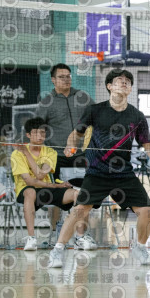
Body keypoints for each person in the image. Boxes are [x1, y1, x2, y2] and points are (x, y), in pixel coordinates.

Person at [48, 69, 150, 268]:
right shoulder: (95, 110)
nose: (124, 83)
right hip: (97, 172)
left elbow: (147, 143)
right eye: (120, 80)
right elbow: (76, 133)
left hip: (124, 173)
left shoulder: (136, 116)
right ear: (109, 86)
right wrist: (71, 145)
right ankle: (58, 250)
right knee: (79, 210)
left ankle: (140, 247)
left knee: (146, 211)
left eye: (128, 81)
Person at [11, 117, 92, 252]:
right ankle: (31, 238)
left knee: (79, 195)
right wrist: (25, 152)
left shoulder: (50, 152)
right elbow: (30, 181)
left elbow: (40, 175)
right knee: (30, 191)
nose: (40, 136)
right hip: (26, 192)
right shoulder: (16, 154)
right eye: (36, 133)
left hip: (47, 188)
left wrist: (26, 153)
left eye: (42, 133)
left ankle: (80, 238)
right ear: (28, 135)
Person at [36, 63, 92, 235]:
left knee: (87, 192)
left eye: (68, 76)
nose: (66, 79)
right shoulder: (46, 102)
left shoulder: (82, 97)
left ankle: (82, 235)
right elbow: (37, 129)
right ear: (53, 80)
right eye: (62, 77)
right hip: (56, 156)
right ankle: (55, 232)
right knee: (56, 194)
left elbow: (96, 115)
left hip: (82, 154)